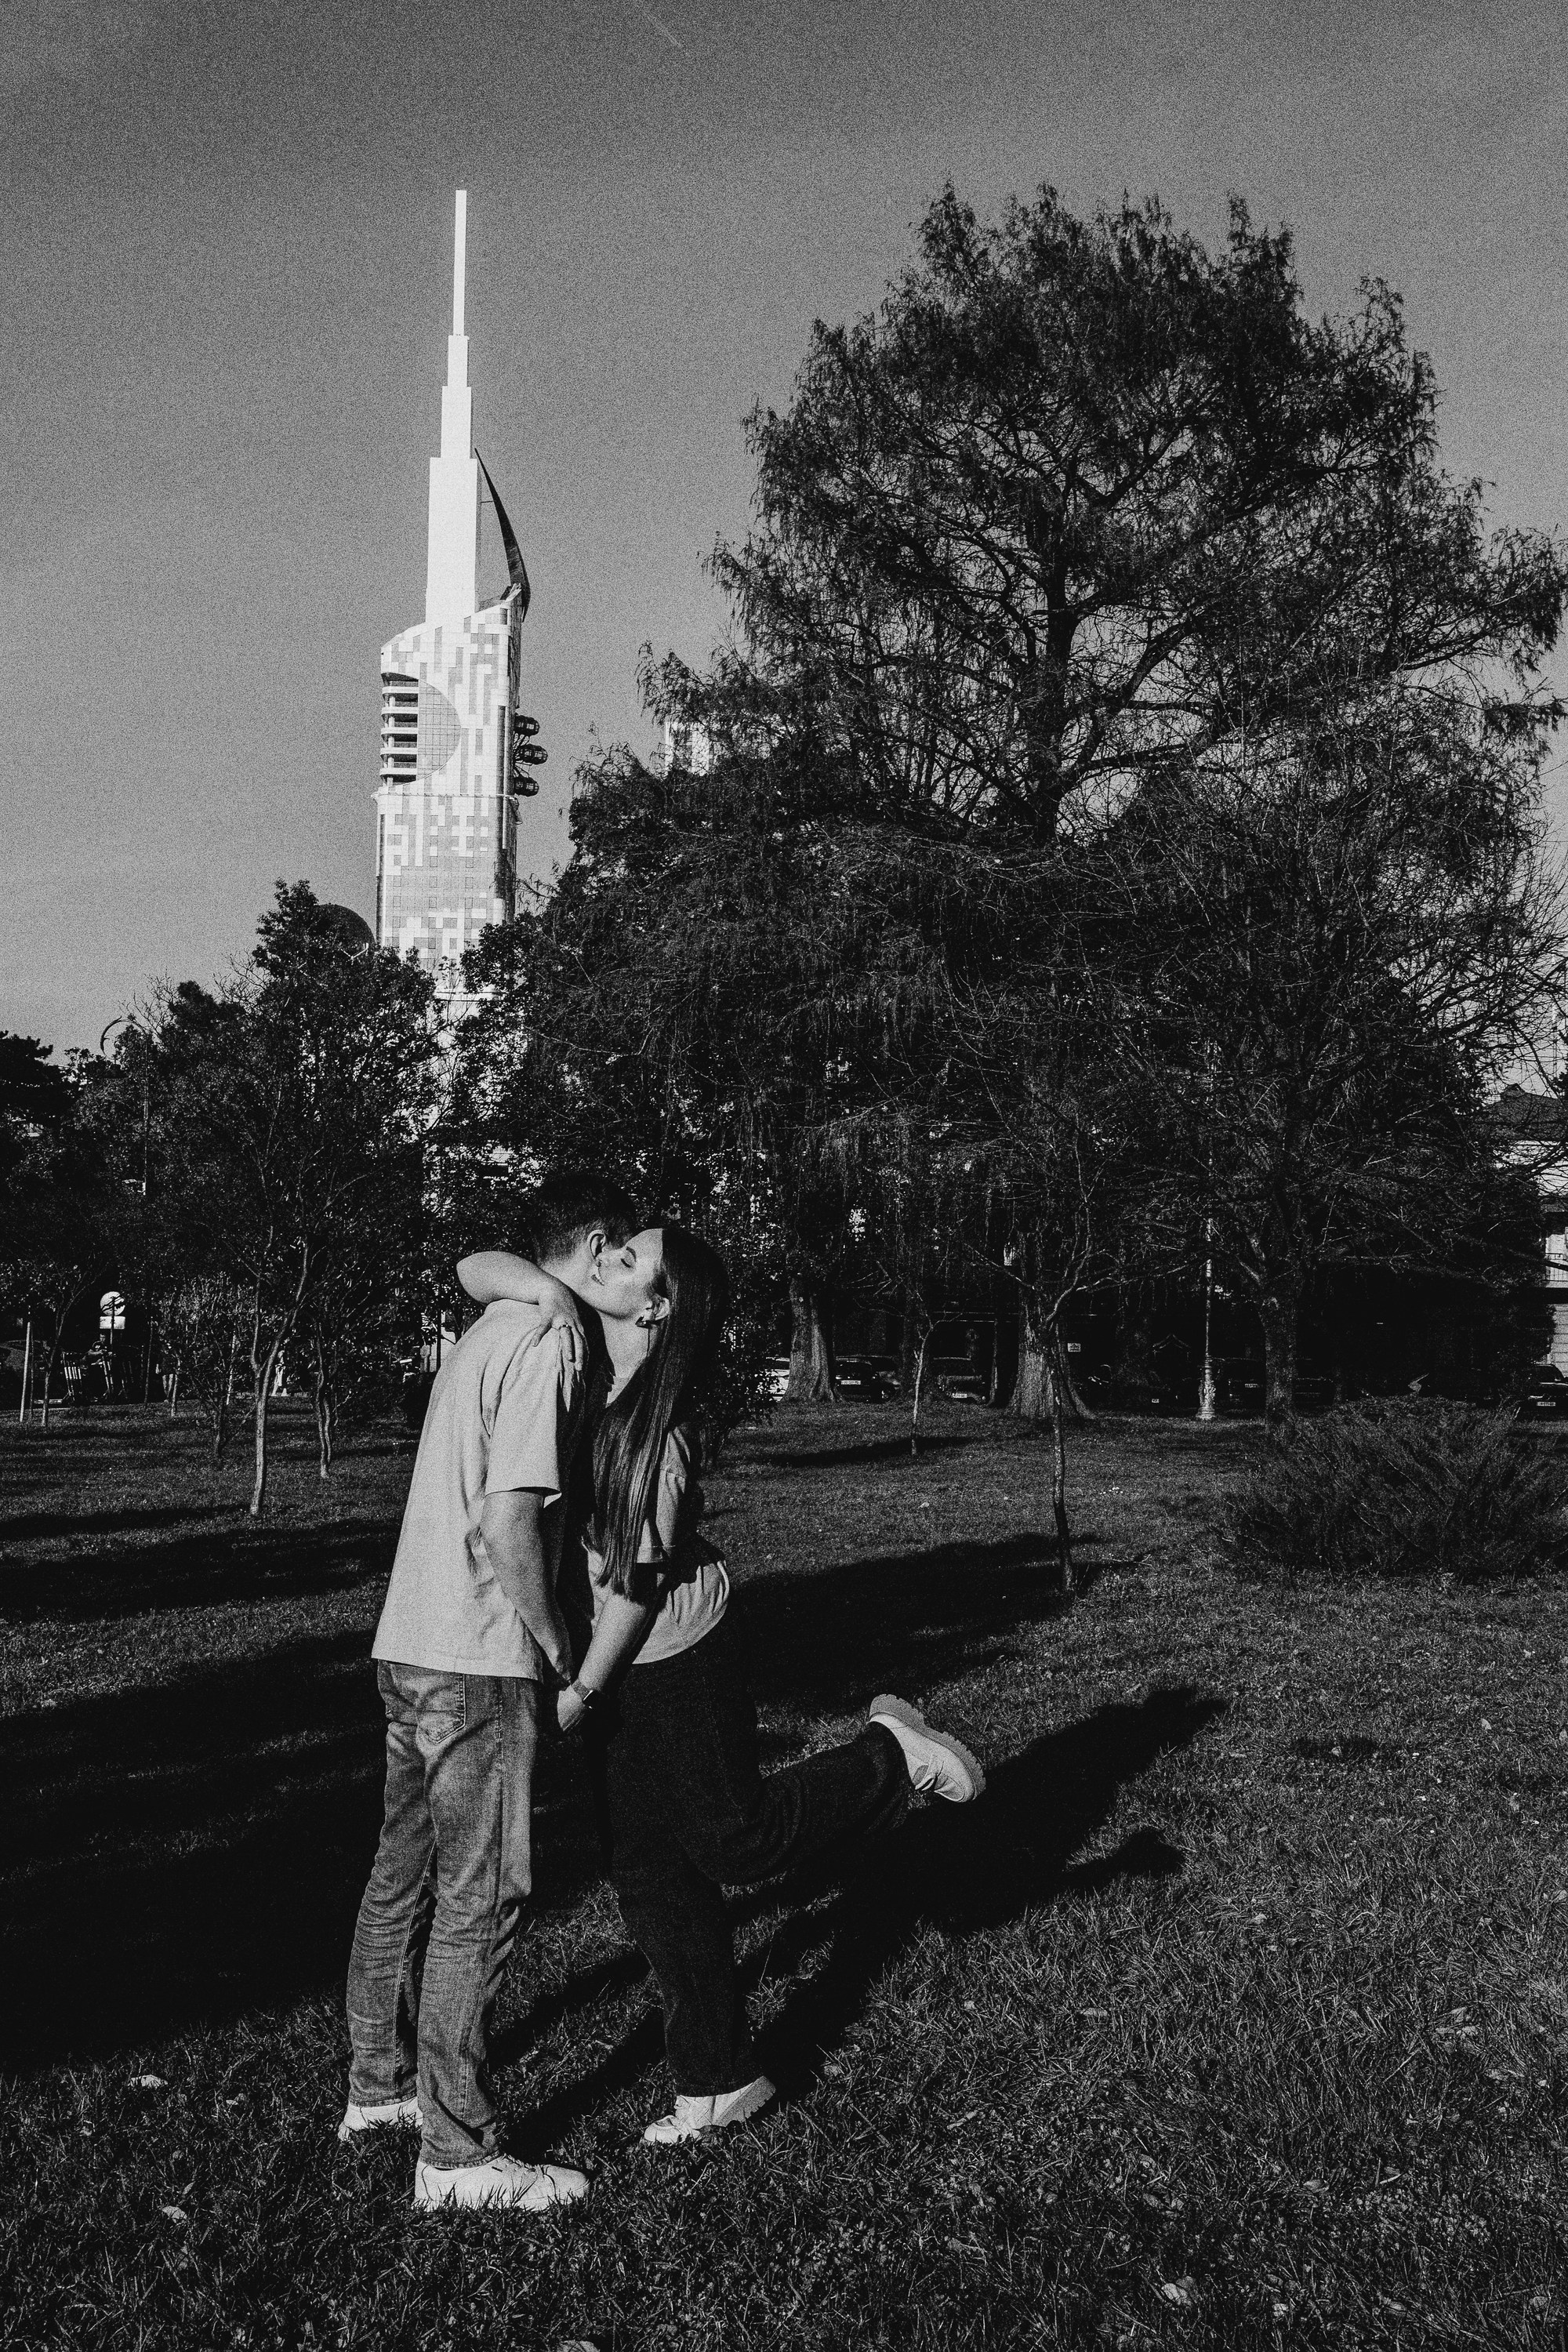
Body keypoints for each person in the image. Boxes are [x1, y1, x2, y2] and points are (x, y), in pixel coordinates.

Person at [458, 1221, 985, 2146]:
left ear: (657, 1307)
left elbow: (631, 1590)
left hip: (673, 1654)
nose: (607, 1256)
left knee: (734, 1839)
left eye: (630, 1258)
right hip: (614, 1657)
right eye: (609, 1247)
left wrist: (578, 1691)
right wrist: (545, 1292)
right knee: (650, 1873)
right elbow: (473, 1267)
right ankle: (720, 2078)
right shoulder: (574, 1346)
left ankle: (890, 1758)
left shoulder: (652, 1436)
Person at [340, 1168, 637, 2214]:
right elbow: (513, 1524)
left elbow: (473, 1266)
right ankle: (458, 2157)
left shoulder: (498, 1317)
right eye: (629, 1252)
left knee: (402, 1870)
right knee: (485, 1893)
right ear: (595, 1247)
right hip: (476, 1653)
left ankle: (379, 2092)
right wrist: (562, 1649)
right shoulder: (549, 1339)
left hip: (408, 1640)